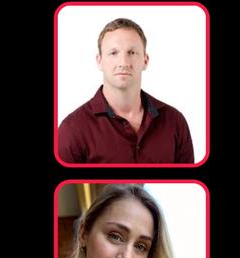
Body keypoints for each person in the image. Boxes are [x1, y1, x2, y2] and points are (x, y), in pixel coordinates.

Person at [58, 18, 194, 164]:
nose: (123, 63)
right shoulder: (72, 129)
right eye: (113, 53)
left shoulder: (174, 121)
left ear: (145, 60)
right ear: (99, 61)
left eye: (132, 52)